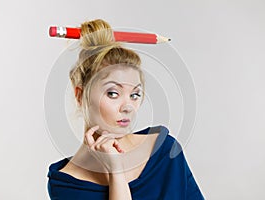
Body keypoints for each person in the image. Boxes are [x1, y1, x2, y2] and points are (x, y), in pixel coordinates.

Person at [47, 19, 205, 200]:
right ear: (80, 96)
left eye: (135, 95)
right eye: (113, 93)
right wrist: (116, 170)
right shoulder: (66, 184)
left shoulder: (165, 151)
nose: (128, 107)